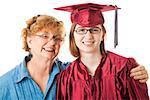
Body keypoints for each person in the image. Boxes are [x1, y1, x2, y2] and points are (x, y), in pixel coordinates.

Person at [0, 14, 148, 100]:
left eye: (57, 38)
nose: (51, 42)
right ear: (29, 40)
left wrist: (138, 71)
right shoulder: (5, 84)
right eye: (44, 36)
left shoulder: (66, 72)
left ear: (103, 34)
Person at [55, 3, 149, 100]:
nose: (88, 36)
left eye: (94, 30)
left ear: (103, 34)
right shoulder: (66, 77)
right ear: (73, 35)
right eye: (81, 30)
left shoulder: (124, 68)